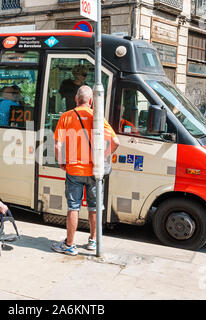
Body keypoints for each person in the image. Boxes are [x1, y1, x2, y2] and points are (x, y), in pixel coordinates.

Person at [52, 85, 120, 256]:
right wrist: (103, 156)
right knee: (94, 207)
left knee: (73, 207)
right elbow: (116, 142)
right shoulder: (97, 117)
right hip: (94, 171)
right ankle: (93, 241)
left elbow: (58, 144)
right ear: (91, 101)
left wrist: (61, 162)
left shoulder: (66, 116)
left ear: (76, 99)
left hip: (74, 170)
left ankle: (69, 244)